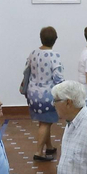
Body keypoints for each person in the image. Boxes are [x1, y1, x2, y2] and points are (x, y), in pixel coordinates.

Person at [22, 26, 66, 161]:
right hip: (48, 95)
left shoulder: (33, 53)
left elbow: (26, 71)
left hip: (32, 93)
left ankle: (49, 146)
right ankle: (39, 152)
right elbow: (58, 77)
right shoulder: (54, 56)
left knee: (43, 121)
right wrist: (64, 90)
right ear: (55, 39)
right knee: (46, 123)